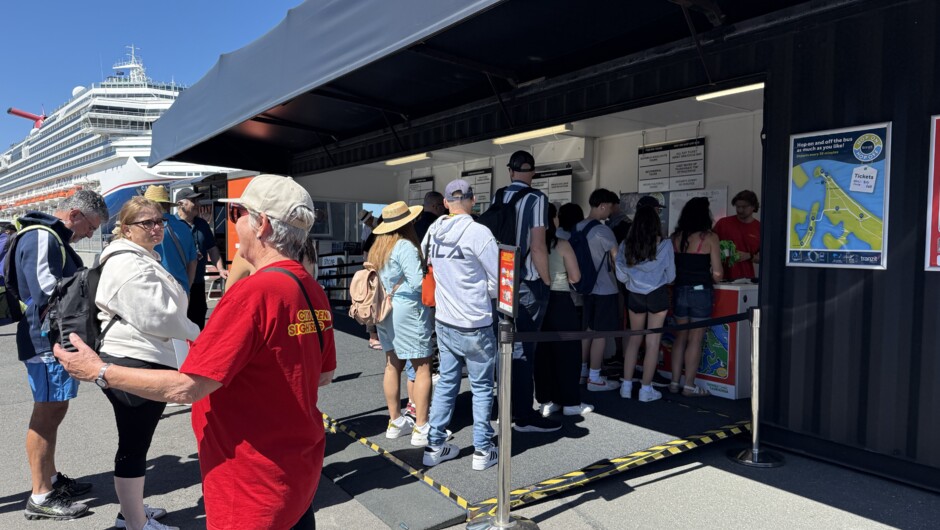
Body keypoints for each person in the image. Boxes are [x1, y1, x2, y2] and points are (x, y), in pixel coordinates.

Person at [54, 174, 336, 529]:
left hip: (250, 481)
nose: (234, 226)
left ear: (261, 224)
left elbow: (188, 387)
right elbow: (322, 375)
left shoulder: (254, 294)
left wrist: (98, 370)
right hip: (298, 468)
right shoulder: (310, 288)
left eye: (238, 215)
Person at [96, 197, 201, 530]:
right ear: (126, 229)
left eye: (159, 221)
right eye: (147, 223)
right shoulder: (128, 263)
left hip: (140, 356)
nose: (157, 227)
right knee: (134, 442)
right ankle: (135, 523)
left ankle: (131, 511)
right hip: (135, 359)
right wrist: (198, 332)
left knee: (135, 440)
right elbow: (160, 316)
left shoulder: (138, 257)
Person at [13, 190, 107, 520]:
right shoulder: (42, 236)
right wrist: (90, 284)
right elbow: (46, 289)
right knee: (47, 413)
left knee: (55, 408)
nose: (90, 234)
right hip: (45, 341)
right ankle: (41, 495)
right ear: (76, 214)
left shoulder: (51, 237)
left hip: (50, 339)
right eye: (91, 227)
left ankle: (50, 480)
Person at [420, 180, 499, 469]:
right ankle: (482, 449)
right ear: (473, 200)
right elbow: (497, 278)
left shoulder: (435, 229)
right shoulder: (480, 233)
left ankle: (435, 445)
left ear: (445, 203)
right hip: (475, 320)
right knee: (480, 387)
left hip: (445, 319)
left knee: (447, 384)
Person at [495, 150, 559, 432]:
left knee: (505, 346)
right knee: (524, 350)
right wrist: (546, 280)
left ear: (510, 171)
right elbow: (538, 245)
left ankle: (504, 407)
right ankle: (523, 415)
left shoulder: (499, 196)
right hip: (528, 283)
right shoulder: (537, 199)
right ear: (532, 173)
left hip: (503, 281)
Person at [370, 201, 435, 446]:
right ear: (407, 223)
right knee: (422, 367)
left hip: (384, 310)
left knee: (391, 364)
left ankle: (395, 421)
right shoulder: (405, 246)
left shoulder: (378, 248)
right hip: (407, 309)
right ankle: (421, 427)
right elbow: (419, 283)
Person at [535, 203, 591, 417]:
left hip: (538, 300)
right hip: (561, 299)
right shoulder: (562, 244)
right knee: (568, 352)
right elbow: (576, 277)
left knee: (543, 353)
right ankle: (570, 402)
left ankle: (546, 400)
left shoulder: (532, 244)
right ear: (554, 219)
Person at [615, 205, 675, 402]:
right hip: (657, 293)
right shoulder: (665, 244)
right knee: (652, 342)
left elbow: (621, 273)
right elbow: (671, 276)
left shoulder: (626, 243)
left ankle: (626, 385)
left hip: (635, 295)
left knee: (633, 340)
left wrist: (633, 281)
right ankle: (646, 390)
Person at [670, 197, 722, 397]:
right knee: (695, 339)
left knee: (680, 337)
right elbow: (717, 274)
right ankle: (689, 386)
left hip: (679, 291)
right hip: (701, 291)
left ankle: (675, 383)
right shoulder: (709, 238)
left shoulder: (675, 237)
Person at [576, 188, 622, 392]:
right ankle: (595, 377)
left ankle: (582, 371)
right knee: (601, 334)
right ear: (602, 205)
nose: (610, 213)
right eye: (610, 208)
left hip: (585, 288)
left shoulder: (577, 227)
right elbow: (617, 259)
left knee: (587, 332)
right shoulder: (604, 231)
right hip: (605, 289)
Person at [174, 188, 228, 329]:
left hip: (198, 285)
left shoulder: (202, 224)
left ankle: (197, 350)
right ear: (180, 204)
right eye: (193, 200)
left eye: (197, 200)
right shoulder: (172, 225)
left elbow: (212, 248)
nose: (198, 203)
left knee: (198, 323)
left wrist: (220, 268)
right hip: (178, 286)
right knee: (179, 325)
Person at [142, 186, 198, 293]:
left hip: (156, 289)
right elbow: (193, 262)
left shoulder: (147, 229)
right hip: (181, 289)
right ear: (167, 206)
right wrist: (187, 288)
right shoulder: (184, 227)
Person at [714, 190, 761, 280]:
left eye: (744, 207)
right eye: (737, 206)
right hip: (722, 278)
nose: (740, 210)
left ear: (753, 207)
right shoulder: (723, 223)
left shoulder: (759, 228)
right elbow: (709, 247)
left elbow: (766, 260)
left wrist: (749, 256)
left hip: (746, 280)